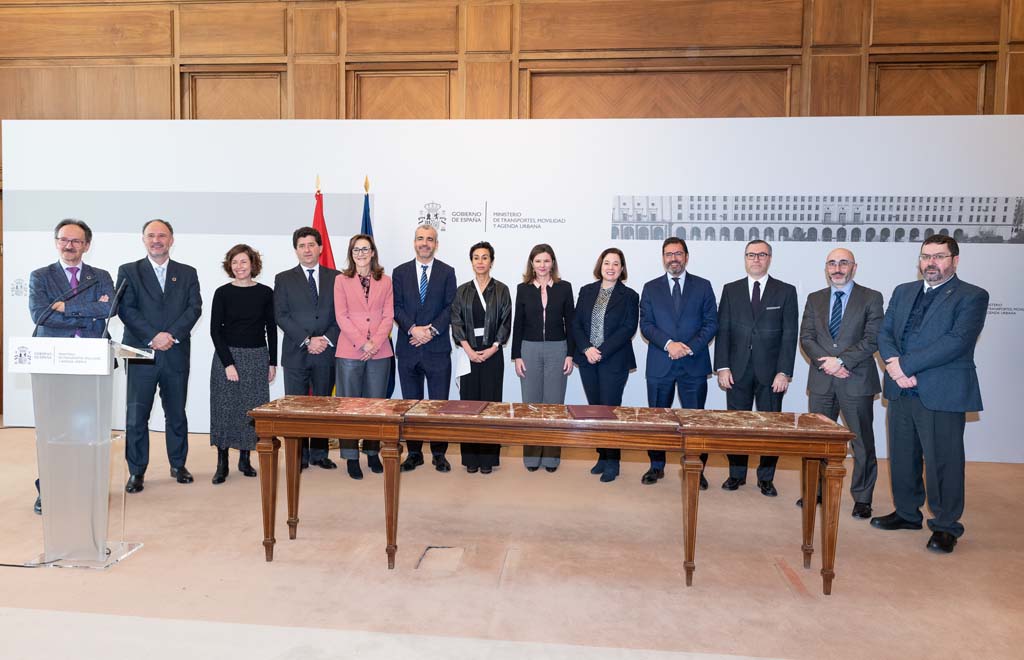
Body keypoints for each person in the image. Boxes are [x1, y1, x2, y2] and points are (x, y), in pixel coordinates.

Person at [872, 235, 988, 554]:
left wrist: (905, 366)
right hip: (901, 389)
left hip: (941, 391)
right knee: (902, 455)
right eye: (926, 256)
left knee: (943, 462)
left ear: (955, 260)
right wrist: (896, 369)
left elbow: (958, 340)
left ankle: (946, 526)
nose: (930, 263)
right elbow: (885, 332)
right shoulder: (903, 291)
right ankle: (908, 514)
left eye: (938, 256)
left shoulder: (972, 296)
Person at [28, 218, 114, 513]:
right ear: (56, 242)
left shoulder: (100, 276)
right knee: (55, 427)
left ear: (86, 246)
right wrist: (86, 314)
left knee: (89, 428)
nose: (69, 245)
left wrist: (66, 307)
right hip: (54, 361)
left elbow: (106, 309)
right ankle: (49, 487)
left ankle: (86, 487)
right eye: (64, 239)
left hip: (91, 361)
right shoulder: (40, 276)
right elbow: (40, 316)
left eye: (76, 241)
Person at [117, 219, 202, 494]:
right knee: (136, 416)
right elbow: (125, 309)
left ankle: (178, 465)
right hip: (141, 351)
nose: (157, 240)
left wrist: (171, 335)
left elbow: (194, 308)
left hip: (175, 352)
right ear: (143, 239)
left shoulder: (187, 272)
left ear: (171, 240)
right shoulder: (129, 271)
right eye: (151, 235)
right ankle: (136, 471)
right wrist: (153, 336)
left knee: (176, 413)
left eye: (162, 235)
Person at [798, 248, 883, 519]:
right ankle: (817, 491)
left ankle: (862, 498)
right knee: (818, 442)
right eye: (832, 263)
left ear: (854, 267)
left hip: (855, 380)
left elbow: (872, 338)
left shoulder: (871, 297)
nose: (837, 268)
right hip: (822, 380)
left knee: (861, 442)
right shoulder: (815, 298)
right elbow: (806, 337)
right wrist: (827, 363)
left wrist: (842, 362)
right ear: (826, 268)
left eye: (843, 263)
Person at [714, 239, 798, 497]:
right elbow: (723, 330)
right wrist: (723, 367)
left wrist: (784, 371)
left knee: (771, 426)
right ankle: (736, 474)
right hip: (737, 370)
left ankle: (765, 478)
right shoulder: (731, 289)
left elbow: (789, 334)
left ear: (769, 258)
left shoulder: (785, 291)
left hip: (772, 373)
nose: (756, 259)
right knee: (737, 426)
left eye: (762, 255)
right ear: (745, 258)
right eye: (751, 255)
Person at [639, 238, 718, 488]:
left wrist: (688, 348)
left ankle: (696, 468)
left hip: (693, 364)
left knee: (694, 420)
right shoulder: (650, 288)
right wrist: (669, 345)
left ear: (686, 256)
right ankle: (656, 466)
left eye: (678, 253)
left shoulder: (703, 286)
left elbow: (711, 323)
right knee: (658, 420)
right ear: (663, 257)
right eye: (668, 254)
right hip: (660, 363)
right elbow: (647, 325)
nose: (673, 258)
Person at [273, 227, 341, 471]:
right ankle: (298, 455)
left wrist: (324, 339)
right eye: (302, 246)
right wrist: (306, 340)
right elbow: (281, 315)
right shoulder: (283, 278)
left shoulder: (337, 277)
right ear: (296, 250)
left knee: (323, 404)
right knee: (296, 407)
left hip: (326, 350)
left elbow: (341, 315)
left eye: (311, 244)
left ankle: (319, 453)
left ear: (320, 248)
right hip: (296, 352)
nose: (307, 250)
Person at [209, 244, 277, 485]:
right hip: (226, 358)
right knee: (224, 409)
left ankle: (245, 459)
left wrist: (272, 362)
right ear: (230, 265)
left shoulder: (266, 292)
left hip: (257, 357)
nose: (239, 266)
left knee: (251, 410)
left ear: (253, 265)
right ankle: (222, 462)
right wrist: (228, 363)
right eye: (235, 262)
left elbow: (271, 329)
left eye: (244, 262)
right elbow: (215, 331)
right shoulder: (222, 293)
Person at [392, 225, 457, 473]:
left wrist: (430, 331)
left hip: (437, 348)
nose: (425, 243)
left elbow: (451, 307)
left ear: (436, 244)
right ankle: (414, 453)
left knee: (439, 405)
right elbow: (396, 306)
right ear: (414, 242)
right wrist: (413, 329)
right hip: (409, 348)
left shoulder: (447, 272)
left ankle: (439, 454)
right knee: (411, 403)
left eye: (430, 239)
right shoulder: (400, 272)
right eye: (420, 239)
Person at [571, 247, 639, 482]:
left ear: (622, 269)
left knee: (610, 411)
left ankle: (613, 461)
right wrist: (587, 349)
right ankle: (601, 456)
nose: (610, 267)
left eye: (615, 264)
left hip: (614, 360)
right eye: (606, 263)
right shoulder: (586, 291)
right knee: (596, 410)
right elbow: (576, 323)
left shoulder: (629, 295)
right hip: (588, 359)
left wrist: (601, 351)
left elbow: (628, 328)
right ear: (600, 266)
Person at [333, 234, 394, 479]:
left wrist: (375, 342)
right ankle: (350, 457)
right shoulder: (341, 280)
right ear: (351, 253)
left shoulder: (386, 280)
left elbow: (389, 315)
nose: (361, 253)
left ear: (372, 252)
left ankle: (371, 452)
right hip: (350, 349)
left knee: (375, 405)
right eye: (356, 250)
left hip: (380, 352)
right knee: (349, 406)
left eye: (365, 249)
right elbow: (341, 316)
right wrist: (362, 343)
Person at [512, 244, 575, 473]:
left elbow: (572, 322)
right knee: (531, 404)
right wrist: (517, 356)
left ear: (553, 263)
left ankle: (551, 458)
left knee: (554, 405)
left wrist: (570, 353)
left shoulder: (564, 288)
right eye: (538, 261)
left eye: (546, 261)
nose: (542, 265)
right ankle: (531, 457)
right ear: (532, 264)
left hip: (558, 348)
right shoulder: (522, 289)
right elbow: (517, 324)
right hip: (529, 349)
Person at [450, 241, 511, 474]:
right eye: (476, 257)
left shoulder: (502, 290)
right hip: (469, 353)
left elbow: (506, 321)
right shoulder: (463, 290)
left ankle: (488, 460)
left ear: (491, 261)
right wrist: (467, 348)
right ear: (471, 261)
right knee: (469, 406)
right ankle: (470, 459)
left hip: (492, 353)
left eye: (485, 257)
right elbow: (456, 321)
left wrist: (494, 347)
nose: (480, 261)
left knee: (490, 405)